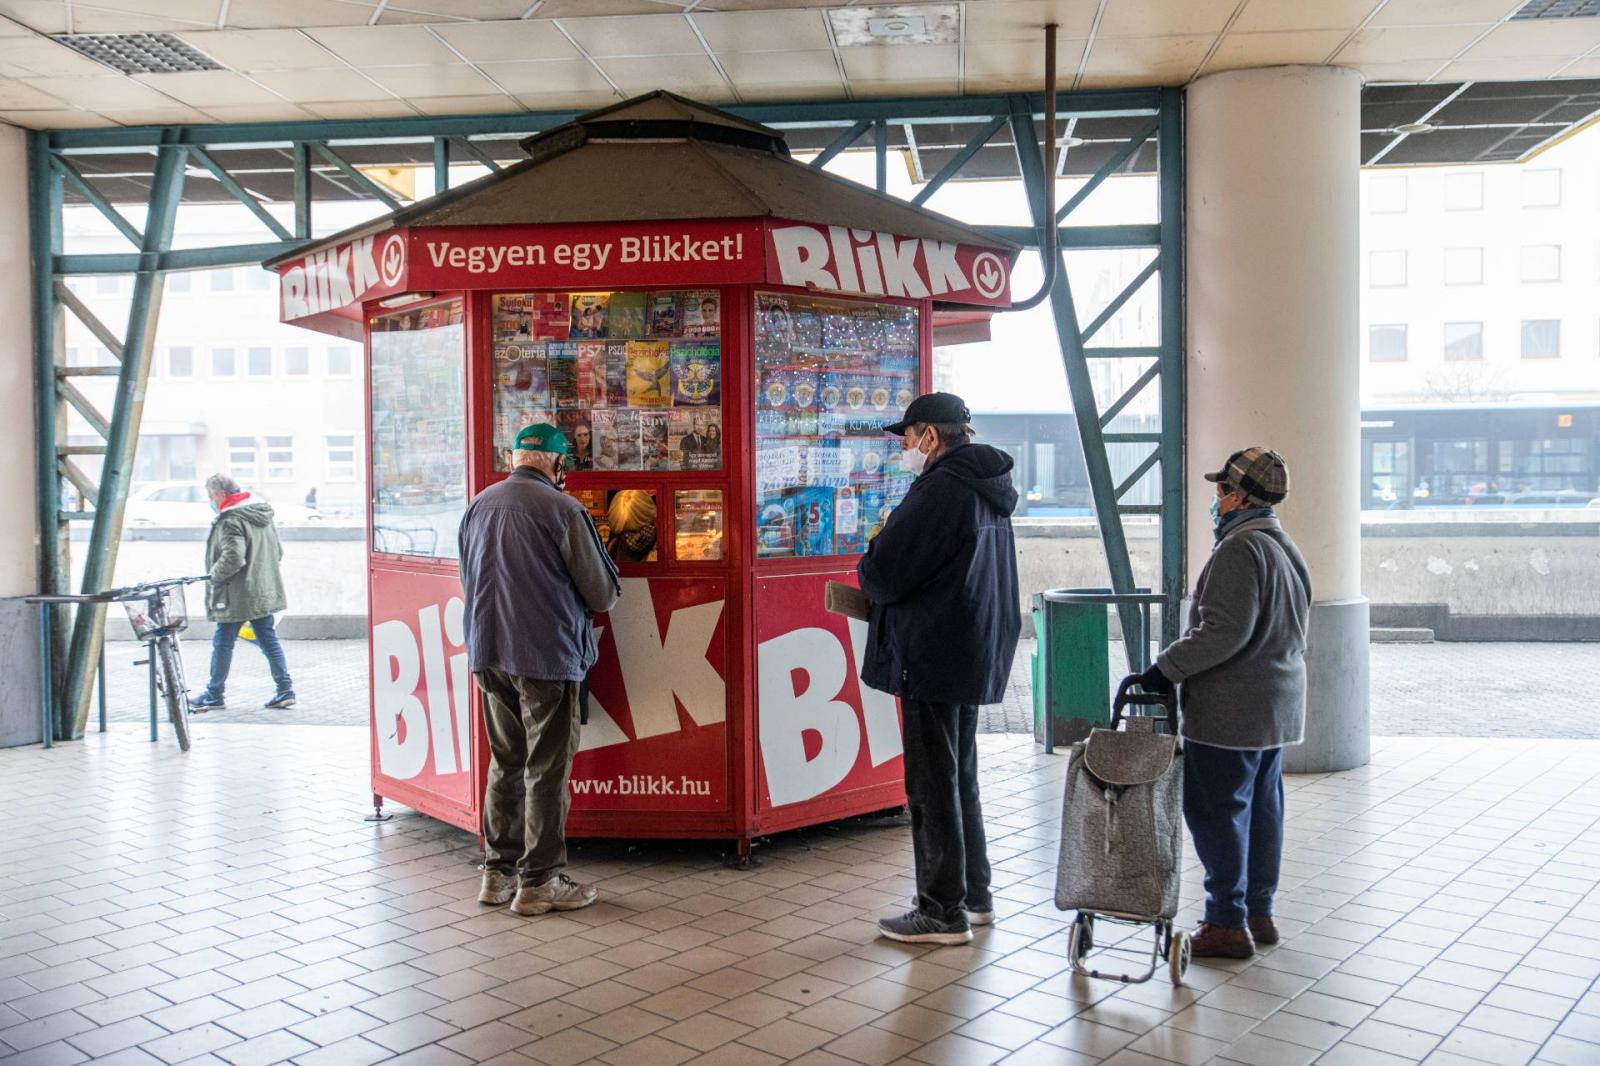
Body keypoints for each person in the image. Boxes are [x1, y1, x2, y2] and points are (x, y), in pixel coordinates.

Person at [1129, 447, 1311, 959]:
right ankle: (1258, 910)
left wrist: (1165, 668)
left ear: (1237, 495)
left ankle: (1227, 922)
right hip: (1275, 705)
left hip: (1233, 711)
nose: (1216, 499)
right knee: (1262, 810)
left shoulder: (1239, 549)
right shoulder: (1282, 544)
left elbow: (1224, 631)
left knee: (1217, 811)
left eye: (1220, 490)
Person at [857, 392, 1021, 945]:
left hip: (932, 653)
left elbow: (884, 572)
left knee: (931, 782)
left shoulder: (942, 489)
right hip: (969, 647)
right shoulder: (987, 488)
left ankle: (939, 910)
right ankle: (974, 894)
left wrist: (873, 547)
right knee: (960, 777)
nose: (903, 447)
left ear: (930, 435)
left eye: (907, 436)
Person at [459, 424, 621, 915]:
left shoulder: (478, 505)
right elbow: (601, 594)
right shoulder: (564, 510)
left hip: (489, 652)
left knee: (505, 761)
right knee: (545, 768)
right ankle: (540, 881)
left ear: (515, 458)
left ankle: (497, 875)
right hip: (546, 656)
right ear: (555, 464)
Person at [190, 474, 294, 711]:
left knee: (223, 642)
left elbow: (233, 557)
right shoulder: (261, 515)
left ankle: (214, 694)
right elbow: (277, 551)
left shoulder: (230, 520)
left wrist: (214, 575)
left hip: (237, 595)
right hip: (263, 590)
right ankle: (285, 689)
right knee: (268, 640)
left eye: (211, 496)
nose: (210, 501)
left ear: (220, 495)